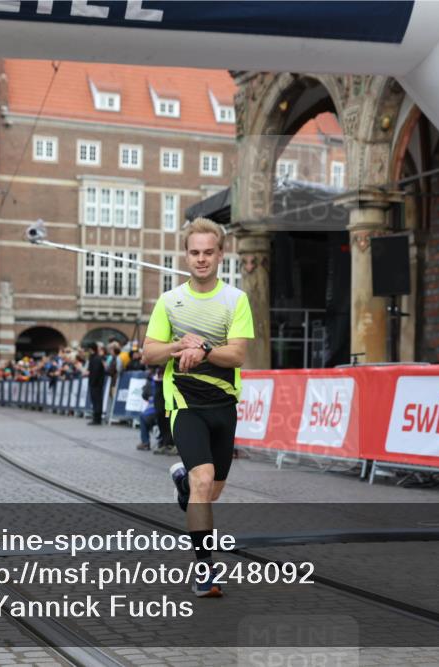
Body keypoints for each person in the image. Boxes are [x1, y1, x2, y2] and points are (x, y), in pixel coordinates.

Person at [142, 218, 254, 598]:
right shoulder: (170, 302)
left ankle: (182, 482)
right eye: (195, 252)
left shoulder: (235, 300)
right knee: (203, 480)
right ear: (185, 256)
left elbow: (237, 355)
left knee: (211, 490)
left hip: (223, 404)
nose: (201, 259)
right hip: (184, 403)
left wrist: (204, 348)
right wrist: (178, 346)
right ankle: (205, 571)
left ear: (221, 255)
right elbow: (148, 353)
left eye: (208, 252)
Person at [150, 364, 175, 455]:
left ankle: (170, 443)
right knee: (160, 418)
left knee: (168, 419)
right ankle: (164, 442)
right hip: (159, 386)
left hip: (169, 395)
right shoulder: (156, 372)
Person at [86, 342, 106, 425]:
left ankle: (97, 419)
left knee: (97, 401)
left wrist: (93, 382)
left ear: (91, 349)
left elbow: (96, 372)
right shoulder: (94, 358)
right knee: (95, 401)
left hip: (96, 384)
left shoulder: (96, 358)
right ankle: (96, 418)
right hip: (95, 383)